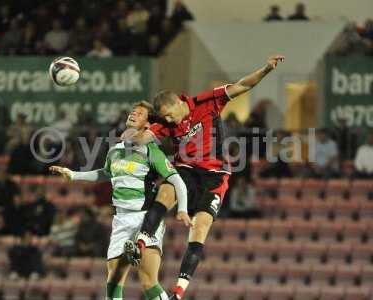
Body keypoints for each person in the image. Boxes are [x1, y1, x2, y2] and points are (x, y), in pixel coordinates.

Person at [121, 55, 284, 299]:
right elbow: (140, 139)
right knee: (166, 191)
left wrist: (266, 70)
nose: (167, 121)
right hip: (185, 170)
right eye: (163, 118)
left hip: (215, 175)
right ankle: (141, 243)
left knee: (200, 228)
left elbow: (242, 85)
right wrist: (133, 131)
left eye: (169, 115)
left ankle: (178, 292)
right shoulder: (166, 124)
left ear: (178, 102)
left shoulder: (207, 102)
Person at [49, 101, 190, 300]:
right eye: (133, 111)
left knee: (148, 281)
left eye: (140, 113)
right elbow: (105, 173)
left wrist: (182, 208)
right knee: (113, 281)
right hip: (121, 220)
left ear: (148, 125)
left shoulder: (151, 151)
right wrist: (73, 175)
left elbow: (177, 181)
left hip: (145, 219)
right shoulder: (114, 150)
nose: (133, 114)